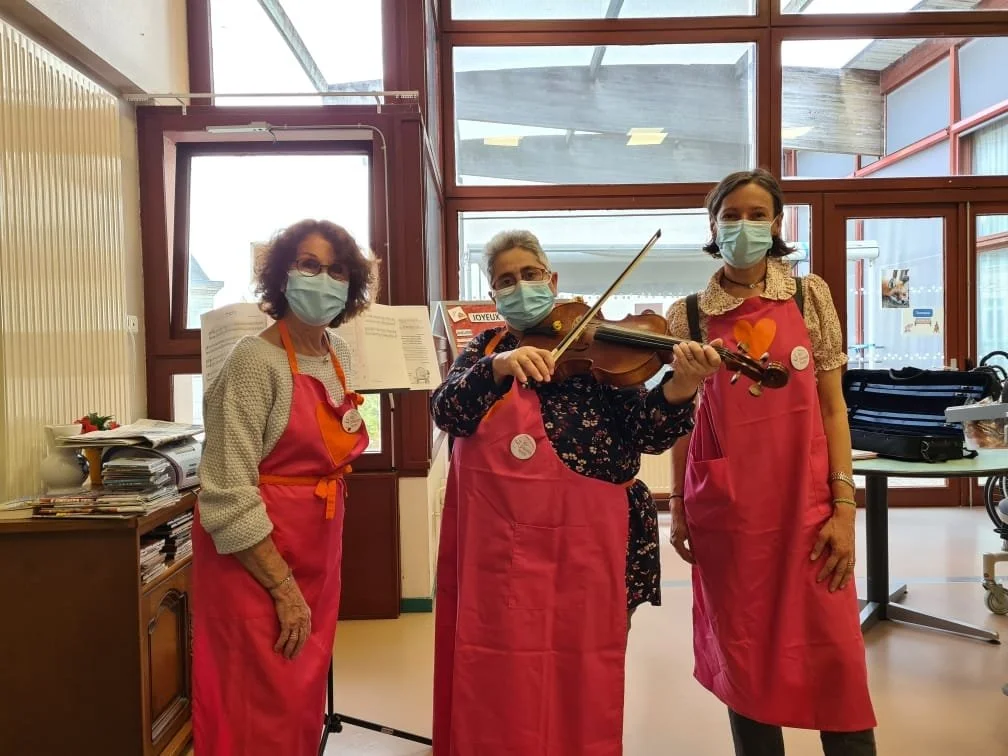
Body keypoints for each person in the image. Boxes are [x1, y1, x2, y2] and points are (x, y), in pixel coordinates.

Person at [431, 229, 722, 756]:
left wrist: (681, 386)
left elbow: (647, 435)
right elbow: (448, 410)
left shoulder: (605, 347)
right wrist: (496, 370)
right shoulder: (487, 348)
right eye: (506, 281)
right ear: (493, 296)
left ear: (553, 279)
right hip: (509, 547)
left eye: (530, 275)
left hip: (596, 540)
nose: (521, 287)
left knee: (585, 665)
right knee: (505, 665)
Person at [666, 169, 877, 756]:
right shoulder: (686, 314)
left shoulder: (813, 296)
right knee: (748, 655)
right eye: (731, 214)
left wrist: (843, 505)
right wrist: (679, 508)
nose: (743, 225)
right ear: (713, 225)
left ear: (778, 224)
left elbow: (834, 409)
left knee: (834, 654)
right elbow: (683, 421)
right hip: (731, 515)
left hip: (809, 504)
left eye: (757, 214)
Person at [191, 219, 377, 755]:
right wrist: (282, 589)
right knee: (256, 700)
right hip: (255, 562)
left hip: (316, 554)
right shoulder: (254, 362)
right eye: (309, 265)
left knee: (299, 694)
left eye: (336, 270)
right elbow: (225, 492)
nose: (323, 279)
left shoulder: (338, 353)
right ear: (282, 277)